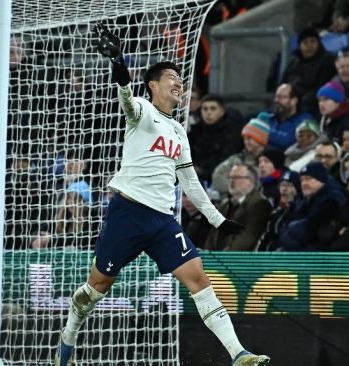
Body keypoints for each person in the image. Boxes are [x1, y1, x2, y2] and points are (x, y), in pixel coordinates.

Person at [54, 23, 271, 366]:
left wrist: (217, 218)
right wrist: (119, 61)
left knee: (198, 278)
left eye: (180, 78)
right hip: (127, 213)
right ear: (153, 85)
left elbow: (190, 183)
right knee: (94, 290)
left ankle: (238, 353)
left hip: (161, 221)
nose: (179, 82)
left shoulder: (179, 132)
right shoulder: (141, 111)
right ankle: (70, 331)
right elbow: (125, 95)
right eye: (171, 76)